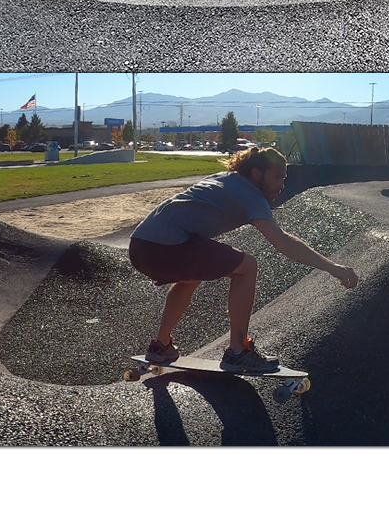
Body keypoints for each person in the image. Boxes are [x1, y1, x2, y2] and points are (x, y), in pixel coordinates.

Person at [129, 147, 359, 370]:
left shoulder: (226, 179)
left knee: (190, 278)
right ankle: (238, 351)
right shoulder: (250, 192)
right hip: (167, 247)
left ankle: (161, 346)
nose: (281, 185)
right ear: (256, 174)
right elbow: (282, 242)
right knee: (247, 266)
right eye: (277, 177)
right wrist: (333, 268)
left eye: (284, 178)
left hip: (140, 247)